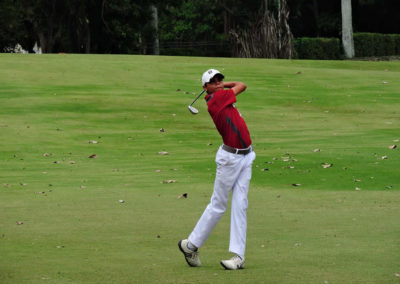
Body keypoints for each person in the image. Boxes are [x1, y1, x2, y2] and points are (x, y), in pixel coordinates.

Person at [178, 69, 256, 270]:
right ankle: (191, 245)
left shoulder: (220, 95)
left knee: (241, 205)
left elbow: (238, 85)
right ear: (206, 88)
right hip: (230, 160)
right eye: (214, 81)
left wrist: (221, 83)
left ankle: (238, 257)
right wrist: (224, 86)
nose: (219, 83)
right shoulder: (216, 99)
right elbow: (242, 85)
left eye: (220, 79)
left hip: (246, 156)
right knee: (218, 205)